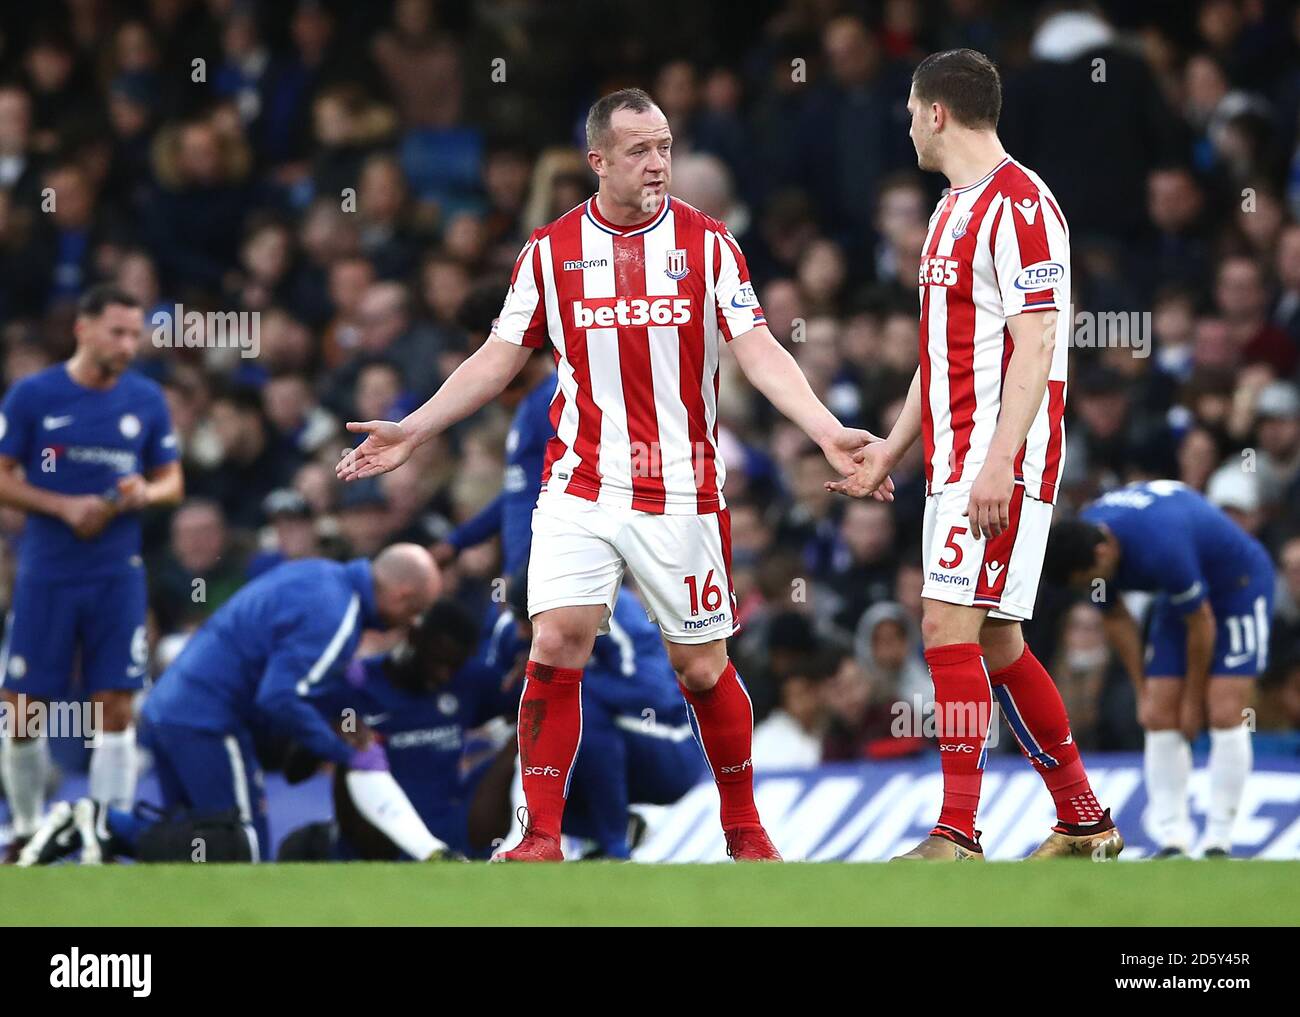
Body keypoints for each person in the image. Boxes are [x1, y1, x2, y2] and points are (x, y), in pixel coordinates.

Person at [337, 87, 891, 862]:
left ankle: (744, 828)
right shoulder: (550, 252)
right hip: (581, 484)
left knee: (701, 667)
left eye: (664, 145)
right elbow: (501, 356)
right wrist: (415, 427)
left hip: (684, 488)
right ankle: (540, 835)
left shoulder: (709, 245)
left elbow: (758, 348)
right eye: (639, 150)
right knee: (557, 637)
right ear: (597, 160)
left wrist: (828, 431)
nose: (658, 161)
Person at [829, 49, 1121, 861]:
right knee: (996, 642)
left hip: (1001, 459)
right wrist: (891, 448)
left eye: (911, 110)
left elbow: (1037, 344)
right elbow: (940, 352)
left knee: (945, 626)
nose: (907, 124)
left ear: (938, 113)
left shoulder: (1024, 205)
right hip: (957, 459)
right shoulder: (949, 210)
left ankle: (957, 830)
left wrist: (999, 461)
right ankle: (1085, 819)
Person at [20, 545, 443, 865]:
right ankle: (103, 823)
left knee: (196, 844)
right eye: (416, 612)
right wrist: (342, 753)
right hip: (208, 717)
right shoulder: (340, 613)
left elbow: (274, 669)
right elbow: (279, 696)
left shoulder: (319, 575)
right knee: (240, 847)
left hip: (175, 706)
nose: (409, 625)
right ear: (404, 596)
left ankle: (103, 829)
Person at [0, 284, 183, 863]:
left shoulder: (146, 400)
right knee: (23, 706)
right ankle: (27, 827)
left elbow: (172, 481)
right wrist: (62, 507)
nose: (128, 345)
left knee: (118, 701)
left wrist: (142, 494)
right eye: (118, 332)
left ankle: (102, 839)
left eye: (135, 334)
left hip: (116, 574)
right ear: (84, 329)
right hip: (48, 571)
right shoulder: (34, 396)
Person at [1044, 481, 1273, 857]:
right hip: (1180, 594)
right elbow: (1115, 616)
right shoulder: (1087, 543)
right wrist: (1142, 689)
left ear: (1104, 551)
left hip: (1238, 587)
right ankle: (1173, 840)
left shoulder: (1162, 546)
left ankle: (1219, 839)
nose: (1093, 588)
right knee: (1157, 714)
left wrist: (1193, 702)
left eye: (1091, 580)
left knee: (1225, 710)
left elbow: (1201, 622)